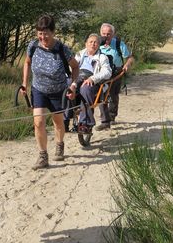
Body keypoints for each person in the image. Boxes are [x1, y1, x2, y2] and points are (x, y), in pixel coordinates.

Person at [21, 14, 79, 170]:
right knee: (38, 122)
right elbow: (27, 63)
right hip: (38, 89)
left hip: (58, 91)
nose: (43, 37)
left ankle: (60, 144)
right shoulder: (33, 46)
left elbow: (75, 66)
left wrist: (73, 84)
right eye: (40, 33)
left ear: (53, 32)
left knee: (58, 122)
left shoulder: (62, 49)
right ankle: (43, 156)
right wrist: (24, 83)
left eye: (46, 33)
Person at [97, 22, 135, 130]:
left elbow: (130, 58)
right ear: (100, 33)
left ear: (113, 34)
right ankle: (105, 120)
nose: (106, 36)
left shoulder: (119, 44)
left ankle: (112, 117)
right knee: (102, 95)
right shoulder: (96, 43)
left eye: (109, 34)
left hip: (116, 73)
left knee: (113, 95)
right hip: (101, 73)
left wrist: (127, 64)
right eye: (104, 33)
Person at [73, 33, 112, 131]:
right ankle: (65, 119)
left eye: (95, 42)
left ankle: (86, 124)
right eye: (90, 42)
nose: (93, 44)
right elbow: (72, 67)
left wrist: (93, 78)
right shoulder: (79, 54)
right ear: (86, 44)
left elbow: (107, 72)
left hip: (92, 82)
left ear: (98, 45)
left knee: (85, 89)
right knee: (66, 86)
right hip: (78, 77)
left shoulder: (103, 57)